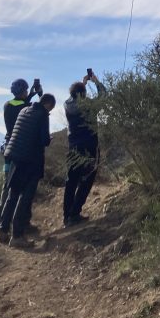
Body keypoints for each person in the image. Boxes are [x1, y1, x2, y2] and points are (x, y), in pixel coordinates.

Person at [0, 93, 56, 249]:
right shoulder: (43, 115)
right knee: (25, 197)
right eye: (51, 109)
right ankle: (17, 236)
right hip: (31, 160)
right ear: (49, 105)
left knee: (12, 194)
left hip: (15, 157)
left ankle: (2, 231)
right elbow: (44, 140)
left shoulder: (24, 110)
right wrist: (49, 138)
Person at [63, 70, 105, 227]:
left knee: (71, 181)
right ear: (84, 94)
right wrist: (95, 81)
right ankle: (74, 214)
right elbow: (103, 96)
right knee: (87, 180)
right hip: (89, 148)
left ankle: (67, 215)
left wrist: (83, 84)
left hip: (73, 148)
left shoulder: (67, 105)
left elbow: (71, 98)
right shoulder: (89, 106)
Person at [0, 78, 42, 213]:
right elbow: (35, 107)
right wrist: (39, 94)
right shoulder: (25, 107)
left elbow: (20, 102)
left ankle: (2, 216)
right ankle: (21, 219)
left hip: (8, 147)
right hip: (21, 149)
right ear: (23, 91)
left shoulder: (7, 105)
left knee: (7, 183)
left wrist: (31, 94)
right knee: (21, 186)